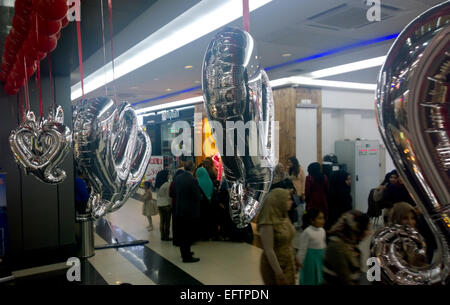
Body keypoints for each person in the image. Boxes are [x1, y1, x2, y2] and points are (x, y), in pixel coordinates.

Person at [258, 188, 297, 285]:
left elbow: (288, 241)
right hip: (275, 266)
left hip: (288, 262)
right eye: (288, 199)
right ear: (278, 201)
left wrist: (294, 257)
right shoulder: (267, 222)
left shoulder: (283, 216)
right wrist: (279, 273)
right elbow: (268, 249)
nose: (291, 202)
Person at [323, 210, 371, 285]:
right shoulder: (337, 247)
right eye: (366, 229)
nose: (369, 232)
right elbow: (345, 279)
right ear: (356, 229)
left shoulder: (349, 244)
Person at [174, 160, 202, 263]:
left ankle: (185, 252)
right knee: (188, 233)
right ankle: (187, 257)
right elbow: (197, 196)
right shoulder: (193, 180)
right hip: (189, 210)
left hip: (179, 209)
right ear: (193, 168)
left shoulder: (177, 178)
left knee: (182, 233)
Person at [388, 202, 428, 267]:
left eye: (412, 218)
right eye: (405, 218)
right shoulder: (391, 241)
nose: (410, 222)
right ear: (396, 219)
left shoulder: (417, 237)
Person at [297, 208, 326, 285]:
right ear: (312, 220)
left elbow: (323, 245)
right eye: (319, 218)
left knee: (319, 278)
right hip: (309, 260)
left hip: (320, 258)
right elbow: (302, 249)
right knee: (310, 278)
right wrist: (299, 261)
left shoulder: (322, 231)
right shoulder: (307, 232)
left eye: (323, 218)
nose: (323, 220)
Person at [196, 166, 215, 240]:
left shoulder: (197, 181)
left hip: (201, 204)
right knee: (208, 219)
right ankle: (208, 235)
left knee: (201, 220)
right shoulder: (209, 181)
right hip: (209, 203)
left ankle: (202, 235)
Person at [155, 170, 172, 241]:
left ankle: (162, 236)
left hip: (159, 204)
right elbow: (168, 196)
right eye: (168, 174)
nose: (169, 175)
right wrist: (171, 204)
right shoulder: (167, 184)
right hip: (166, 205)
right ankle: (166, 236)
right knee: (167, 222)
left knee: (162, 221)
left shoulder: (157, 184)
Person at [169, 169, 184, 246]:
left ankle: (176, 240)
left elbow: (170, 194)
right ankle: (182, 241)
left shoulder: (173, 183)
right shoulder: (183, 182)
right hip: (182, 205)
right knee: (182, 224)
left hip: (174, 204)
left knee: (175, 223)